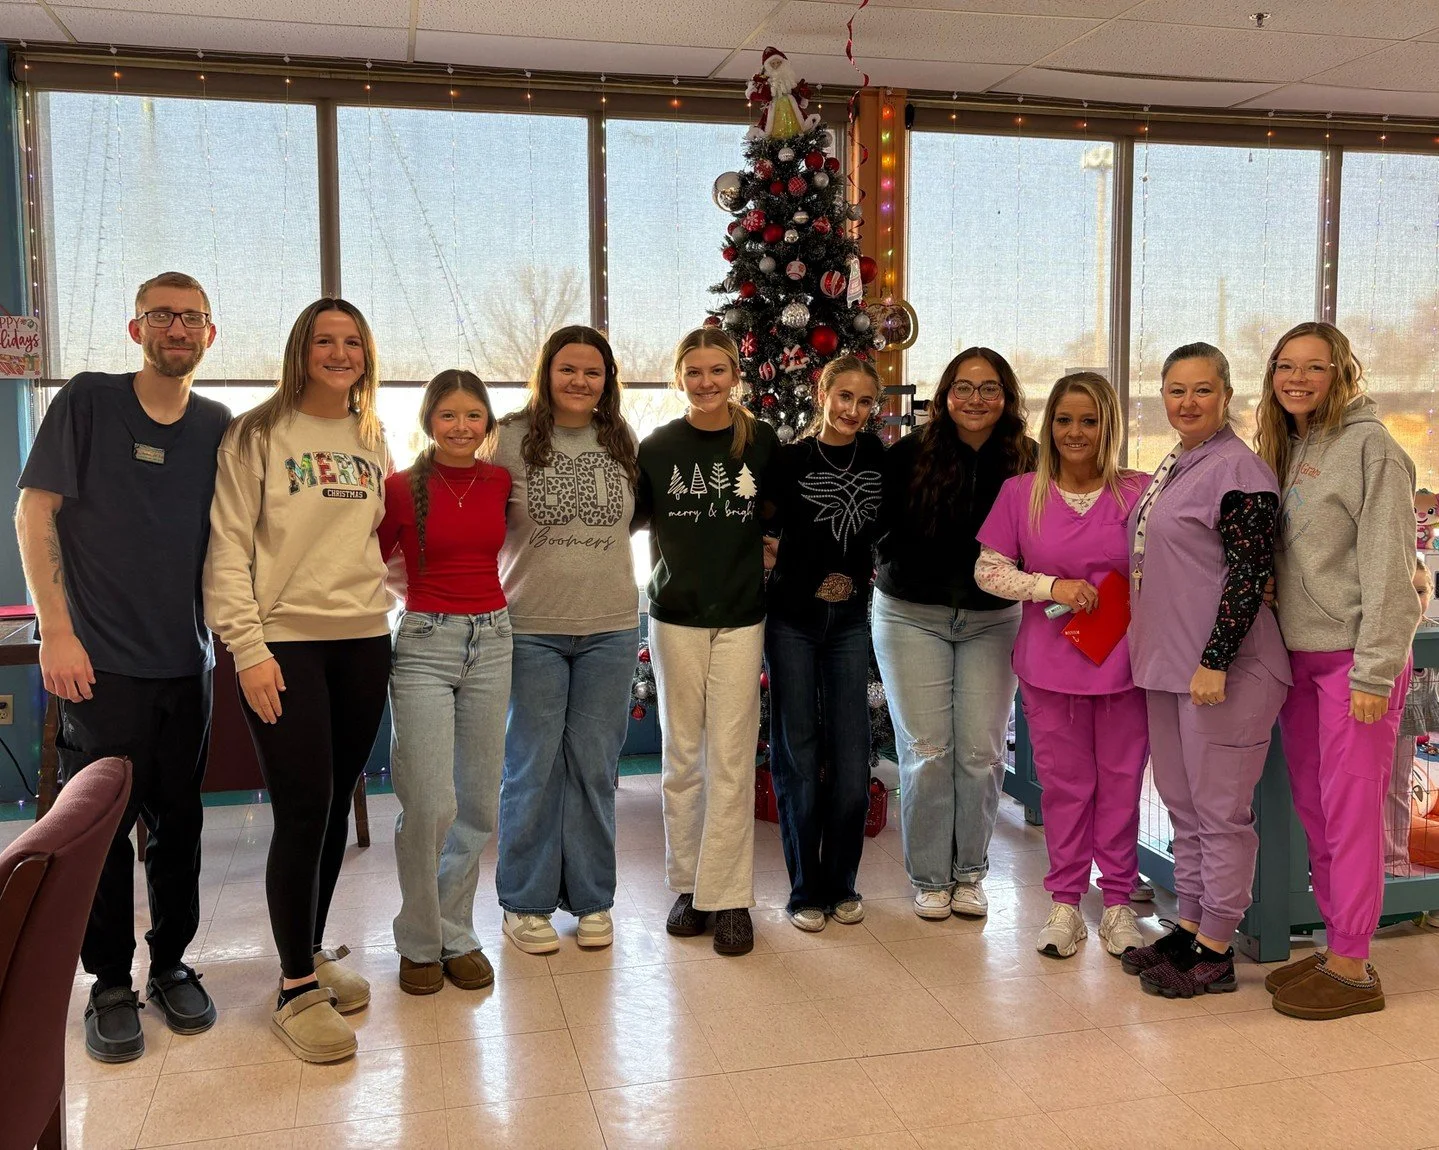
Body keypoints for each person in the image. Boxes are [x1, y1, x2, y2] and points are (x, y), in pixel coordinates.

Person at [15, 272, 229, 1063]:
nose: (177, 328)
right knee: (101, 832)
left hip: (188, 661)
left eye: (192, 318)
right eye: (162, 316)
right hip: (98, 665)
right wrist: (56, 631)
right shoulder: (88, 401)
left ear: (210, 335)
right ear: (137, 328)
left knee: (181, 826)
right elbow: (34, 511)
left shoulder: (216, 424)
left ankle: (171, 960)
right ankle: (107, 980)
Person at [204, 298, 392, 1062]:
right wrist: (247, 650)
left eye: (352, 342)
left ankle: (309, 952)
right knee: (303, 809)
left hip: (363, 639)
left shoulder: (371, 435)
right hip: (285, 644)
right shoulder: (256, 433)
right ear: (300, 350)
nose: (339, 352)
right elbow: (226, 550)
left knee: (333, 808)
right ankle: (292, 989)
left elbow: (368, 542)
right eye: (325, 340)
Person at [1255, 322, 1421, 1019]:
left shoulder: (1370, 448)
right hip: (1300, 659)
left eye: (1312, 368)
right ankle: (1334, 948)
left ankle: (1353, 965)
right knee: (1316, 814)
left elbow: (1391, 573)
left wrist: (1373, 672)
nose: (1295, 379)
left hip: (1356, 664)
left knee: (1351, 818)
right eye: (1283, 366)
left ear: (1340, 373)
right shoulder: (1291, 446)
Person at [1120, 342, 1290, 998]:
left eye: (1201, 390)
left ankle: (1216, 947)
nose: (1186, 402)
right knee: (1183, 806)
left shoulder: (1238, 470)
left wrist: (1215, 660)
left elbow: (1249, 574)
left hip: (1226, 669)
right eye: (1174, 390)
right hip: (1168, 666)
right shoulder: (1177, 463)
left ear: (1226, 397)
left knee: (1219, 812)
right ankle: (1189, 925)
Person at [974, 372, 1148, 959]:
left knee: (1122, 785)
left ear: (1109, 427)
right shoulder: (1022, 493)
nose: (1076, 432)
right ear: (1049, 427)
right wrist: (1051, 585)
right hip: (1050, 668)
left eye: (1090, 420)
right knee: (1066, 788)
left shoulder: (1140, 493)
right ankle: (1066, 903)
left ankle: (1119, 903)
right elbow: (988, 571)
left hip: (1125, 667)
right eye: (1064, 420)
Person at [872, 348, 1037, 921]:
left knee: (980, 753)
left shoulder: (1029, 460)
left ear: (1007, 397)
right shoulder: (909, 455)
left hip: (994, 620)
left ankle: (970, 873)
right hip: (910, 614)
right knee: (926, 751)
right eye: (962, 388)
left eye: (988, 388)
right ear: (943, 396)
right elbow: (875, 526)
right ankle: (929, 877)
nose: (974, 399)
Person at [493, 327, 640, 956]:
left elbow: (636, 518)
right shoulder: (505, 438)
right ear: (545, 373)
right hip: (532, 628)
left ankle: (591, 899)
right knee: (532, 767)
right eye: (567, 370)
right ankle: (524, 903)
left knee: (594, 770)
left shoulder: (621, 439)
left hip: (610, 628)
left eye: (593, 372)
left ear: (607, 380)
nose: (580, 382)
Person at [636, 327, 778, 956]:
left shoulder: (761, 442)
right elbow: (632, 518)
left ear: (734, 375)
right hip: (675, 618)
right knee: (682, 757)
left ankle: (731, 898)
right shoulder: (658, 447)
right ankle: (690, 887)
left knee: (730, 757)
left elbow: (780, 517)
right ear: (679, 378)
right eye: (693, 372)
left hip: (742, 617)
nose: (706, 382)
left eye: (717, 370)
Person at [379, 370, 510, 994]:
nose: (461, 427)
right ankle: (420, 940)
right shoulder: (400, 489)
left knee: (479, 801)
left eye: (473, 416)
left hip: (495, 640)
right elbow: (364, 565)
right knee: (430, 803)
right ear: (429, 421)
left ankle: (458, 932)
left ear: (488, 424)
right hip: (425, 646)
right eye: (448, 415)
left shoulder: (501, 482)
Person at [763, 355, 885, 932]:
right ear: (823, 392)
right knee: (798, 752)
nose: (853, 411)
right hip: (791, 621)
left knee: (851, 754)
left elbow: (893, 528)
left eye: (865, 401)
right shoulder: (788, 461)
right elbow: (763, 535)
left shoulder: (880, 459)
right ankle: (803, 888)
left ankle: (842, 881)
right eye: (844, 397)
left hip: (851, 623)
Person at [1386, 559, 1437, 876]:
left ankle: (1394, 862)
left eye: (1420, 591)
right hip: (1380, 718)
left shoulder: (1431, 631)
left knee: (1398, 790)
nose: (1414, 599)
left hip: (1408, 727)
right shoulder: (1387, 632)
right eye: (1406, 590)